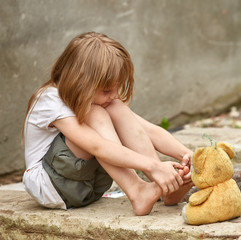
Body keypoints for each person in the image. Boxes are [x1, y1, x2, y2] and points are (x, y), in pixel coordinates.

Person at [22, 32, 193, 216]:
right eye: (107, 90)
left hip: (87, 185)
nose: (115, 94)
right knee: (97, 113)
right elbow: (97, 146)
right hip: (50, 186)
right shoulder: (49, 99)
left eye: (117, 88)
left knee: (116, 107)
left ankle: (166, 187)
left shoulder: (105, 101)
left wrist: (189, 155)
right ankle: (137, 190)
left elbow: (149, 130)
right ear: (80, 83)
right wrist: (152, 165)